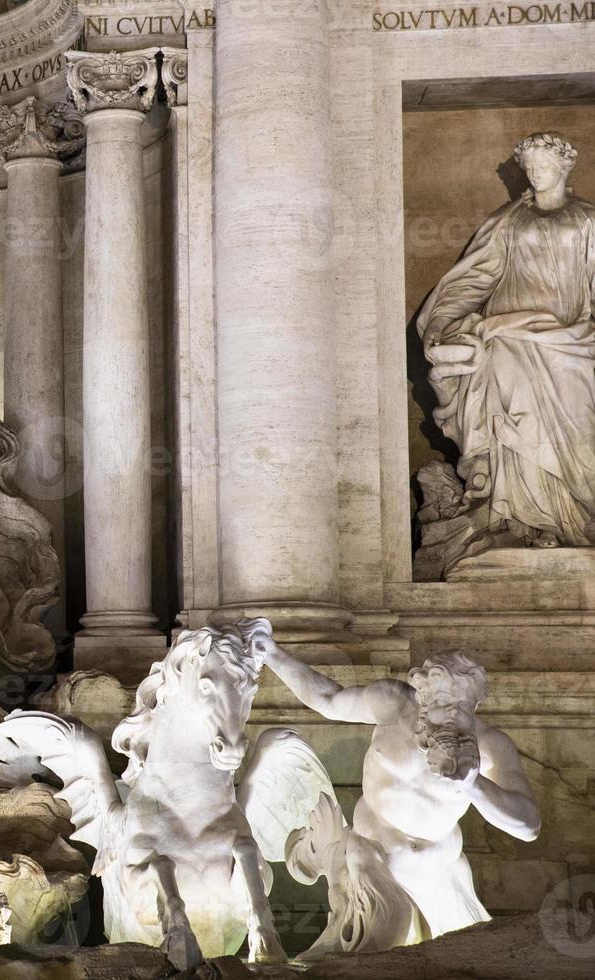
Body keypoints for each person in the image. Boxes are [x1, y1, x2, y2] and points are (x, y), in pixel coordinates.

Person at [251, 625, 540, 941]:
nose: (455, 716)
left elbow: (528, 826)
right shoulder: (392, 703)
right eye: (445, 705)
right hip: (370, 857)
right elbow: (328, 699)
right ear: (424, 696)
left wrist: (472, 784)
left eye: (464, 708)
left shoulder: (489, 745)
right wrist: (272, 655)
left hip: (437, 875)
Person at [417, 132, 595, 547]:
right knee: (512, 419)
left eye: (543, 166)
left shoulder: (588, 220)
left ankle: (575, 514)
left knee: (578, 427)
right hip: (508, 334)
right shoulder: (508, 219)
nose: (534, 174)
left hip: (571, 342)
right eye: (529, 168)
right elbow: (477, 276)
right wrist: (442, 321)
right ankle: (522, 520)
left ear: (564, 168)